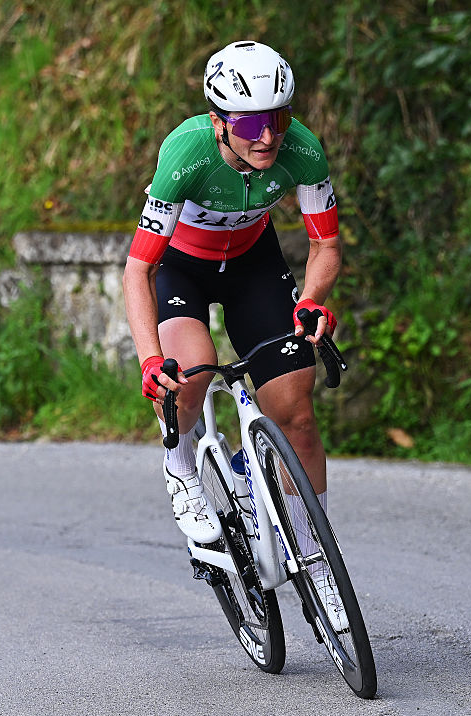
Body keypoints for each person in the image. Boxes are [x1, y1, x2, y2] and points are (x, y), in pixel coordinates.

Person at [122, 40, 346, 630]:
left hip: (252, 265)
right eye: (249, 122)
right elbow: (137, 269)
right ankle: (180, 467)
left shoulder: (302, 151)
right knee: (190, 371)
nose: (266, 136)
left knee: (295, 411)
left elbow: (324, 245)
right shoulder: (186, 154)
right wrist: (151, 360)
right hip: (181, 268)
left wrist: (311, 301)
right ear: (220, 121)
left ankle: (317, 561)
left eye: (277, 118)